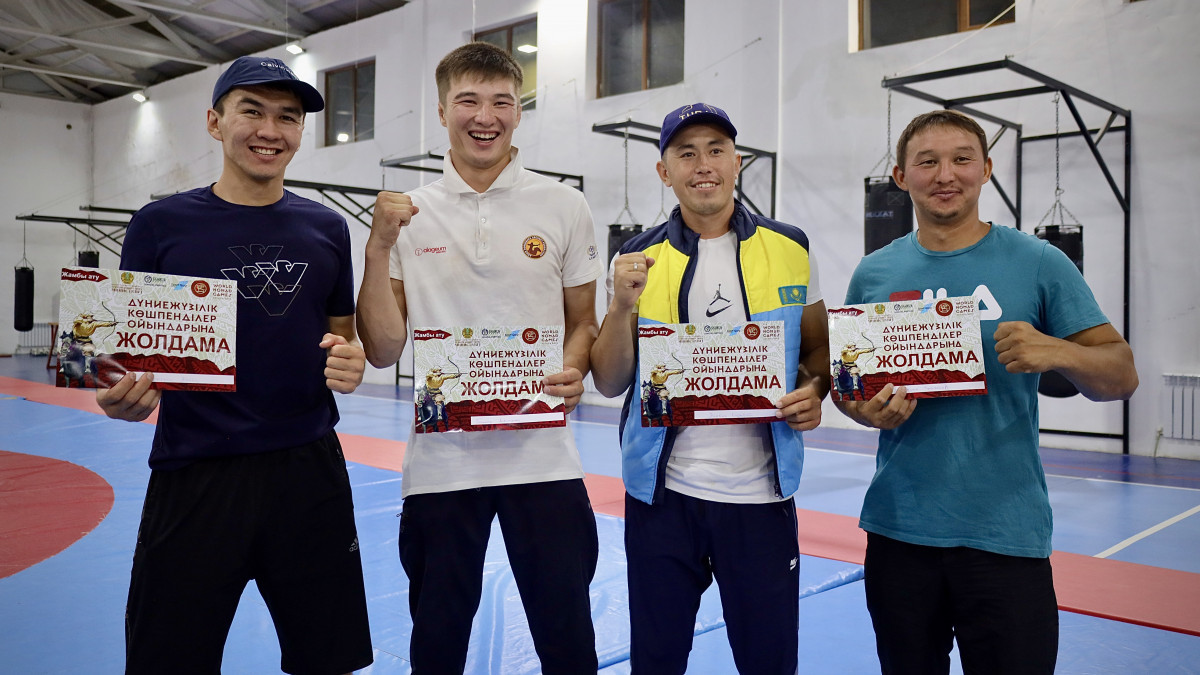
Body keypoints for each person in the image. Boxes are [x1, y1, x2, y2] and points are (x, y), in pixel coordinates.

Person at [96, 56, 373, 675]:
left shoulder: (326, 228)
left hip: (307, 470)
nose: (270, 129)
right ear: (215, 121)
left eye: (288, 117)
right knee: (168, 657)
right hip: (195, 468)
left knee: (326, 655)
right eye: (252, 110)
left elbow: (340, 338)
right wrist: (114, 393)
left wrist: (351, 364)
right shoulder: (159, 225)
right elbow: (120, 357)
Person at [836, 109, 1139, 674]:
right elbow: (848, 389)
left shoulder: (1039, 261)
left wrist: (1060, 351)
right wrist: (865, 411)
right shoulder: (874, 272)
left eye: (961, 159)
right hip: (901, 530)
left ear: (986, 170)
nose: (945, 174)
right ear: (901, 177)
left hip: (1005, 533)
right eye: (927, 162)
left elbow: (1122, 375)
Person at [355, 42, 603, 674]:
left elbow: (582, 324)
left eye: (500, 102)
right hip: (442, 465)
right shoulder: (410, 213)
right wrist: (378, 249)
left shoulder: (564, 205)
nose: (484, 116)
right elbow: (384, 350)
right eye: (468, 100)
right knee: (436, 646)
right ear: (443, 111)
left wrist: (573, 367)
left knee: (568, 640)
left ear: (518, 113)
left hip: (543, 458)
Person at [589, 102, 830, 674]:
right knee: (657, 659)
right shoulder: (635, 258)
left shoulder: (791, 247)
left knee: (769, 660)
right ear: (664, 171)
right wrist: (622, 305)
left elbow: (818, 351)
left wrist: (812, 392)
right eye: (686, 152)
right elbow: (610, 378)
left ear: (737, 162)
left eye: (716, 150)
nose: (703, 165)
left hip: (761, 499)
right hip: (663, 497)